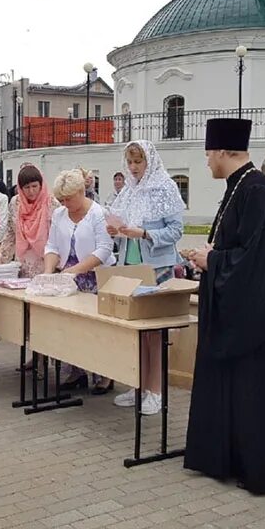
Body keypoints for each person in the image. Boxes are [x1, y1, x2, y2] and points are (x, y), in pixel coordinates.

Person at [184, 118, 265, 494]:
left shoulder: (258, 191)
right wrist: (213, 254)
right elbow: (236, 247)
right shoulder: (238, 187)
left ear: (224, 152)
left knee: (257, 393)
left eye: (209, 154)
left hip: (261, 319)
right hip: (241, 307)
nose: (207, 161)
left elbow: (256, 261)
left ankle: (262, 468)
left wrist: (213, 262)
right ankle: (230, 458)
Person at [107, 140, 186, 406]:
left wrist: (144, 233)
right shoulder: (129, 189)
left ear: (149, 161)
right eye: (129, 162)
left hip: (156, 267)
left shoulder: (166, 187)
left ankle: (156, 391)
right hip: (129, 266)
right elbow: (122, 227)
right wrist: (115, 232)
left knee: (154, 332)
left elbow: (176, 231)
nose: (133, 167)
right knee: (136, 330)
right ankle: (138, 386)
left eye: (138, 162)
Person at [44, 169, 116, 390]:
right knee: (70, 327)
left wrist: (74, 270)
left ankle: (105, 374)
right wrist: (48, 272)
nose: (65, 203)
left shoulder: (98, 214)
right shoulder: (59, 214)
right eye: (61, 200)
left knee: (96, 330)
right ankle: (75, 371)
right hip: (70, 279)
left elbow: (104, 250)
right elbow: (52, 246)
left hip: (96, 278)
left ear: (81, 192)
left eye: (68, 198)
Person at [0, 164, 60, 278]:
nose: (31, 191)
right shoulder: (15, 203)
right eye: (27, 187)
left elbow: (59, 237)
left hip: (46, 261)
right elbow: (10, 232)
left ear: (41, 185)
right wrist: (2, 259)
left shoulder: (52, 204)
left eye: (34, 186)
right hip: (22, 261)